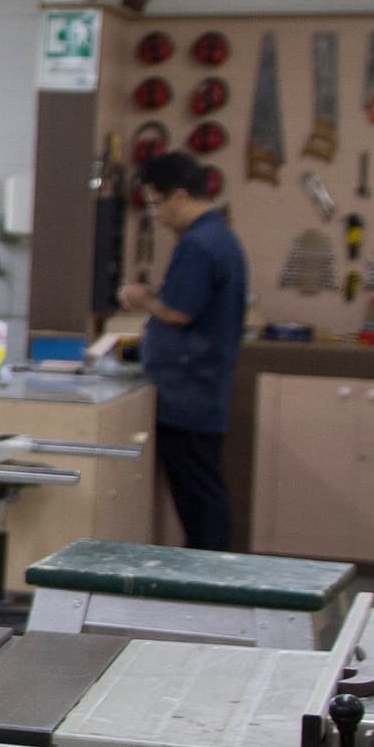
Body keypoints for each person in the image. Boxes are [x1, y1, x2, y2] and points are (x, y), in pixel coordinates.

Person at [118, 151, 246, 551]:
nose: (156, 214)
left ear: (178, 196)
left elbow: (177, 310)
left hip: (188, 392)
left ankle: (208, 583)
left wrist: (141, 298)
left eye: (156, 203)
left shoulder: (199, 243)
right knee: (203, 494)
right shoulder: (220, 235)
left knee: (200, 499)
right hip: (199, 387)